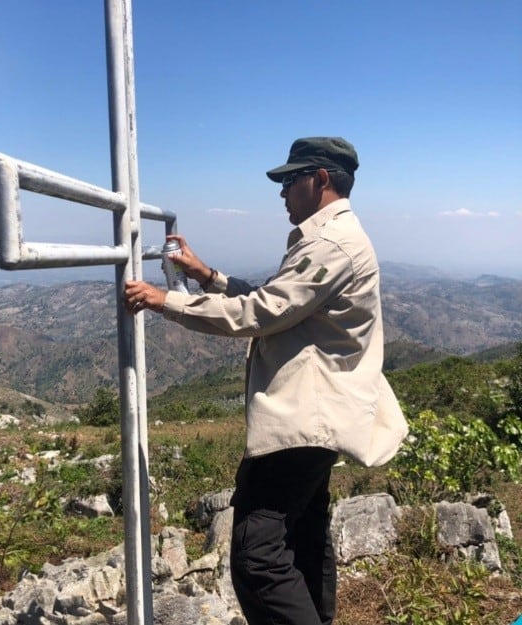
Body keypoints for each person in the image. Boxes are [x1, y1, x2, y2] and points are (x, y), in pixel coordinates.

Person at [124, 136, 408, 625]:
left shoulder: (332, 244)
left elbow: (261, 312)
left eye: (289, 180)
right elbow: (280, 301)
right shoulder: (327, 239)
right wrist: (208, 275)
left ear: (319, 179)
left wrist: (163, 300)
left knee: (258, 557)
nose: (281, 193)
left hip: (305, 420)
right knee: (304, 536)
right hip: (318, 417)